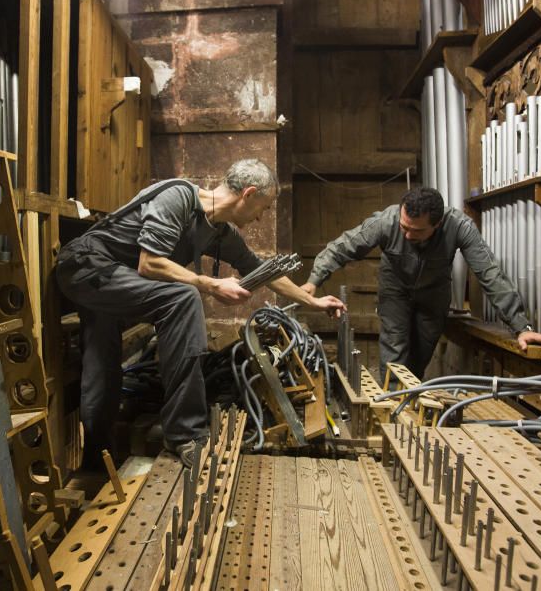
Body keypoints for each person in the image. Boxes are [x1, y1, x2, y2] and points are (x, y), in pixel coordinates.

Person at [56, 159, 346, 469]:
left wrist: (311, 301)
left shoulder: (219, 233)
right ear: (248, 194)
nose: (262, 217)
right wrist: (208, 284)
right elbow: (149, 264)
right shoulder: (179, 198)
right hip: (86, 266)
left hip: (115, 283)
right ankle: (184, 433)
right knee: (183, 297)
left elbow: (261, 271)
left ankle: (96, 461)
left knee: (102, 366)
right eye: (263, 207)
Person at [301, 187, 541, 379]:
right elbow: (342, 247)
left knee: (419, 358)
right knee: (395, 351)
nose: (407, 235)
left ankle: (409, 406)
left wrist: (521, 326)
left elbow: (490, 273)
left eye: (416, 232)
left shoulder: (459, 226)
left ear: (438, 224)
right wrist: (314, 281)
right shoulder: (386, 222)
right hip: (395, 290)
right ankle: (394, 412)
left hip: (434, 295)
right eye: (404, 227)